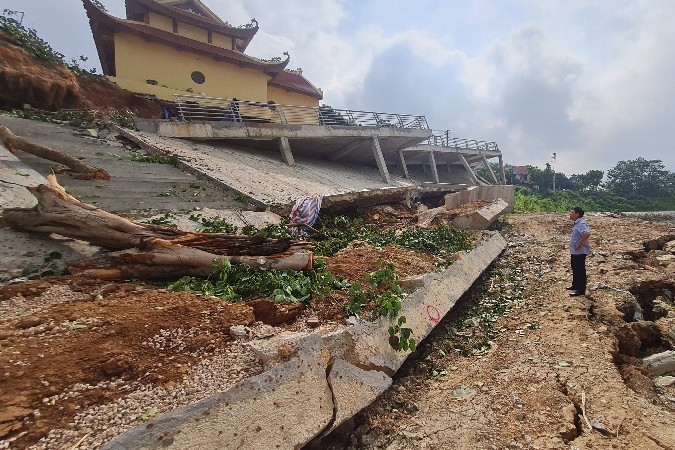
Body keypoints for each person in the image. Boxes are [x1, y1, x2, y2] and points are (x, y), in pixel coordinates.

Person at [568, 206, 591, 297]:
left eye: (571, 212)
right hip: (575, 252)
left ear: (577, 214)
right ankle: (575, 285)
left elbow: (587, 233)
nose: (570, 214)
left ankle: (581, 290)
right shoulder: (576, 223)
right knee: (575, 268)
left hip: (580, 251)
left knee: (580, 270)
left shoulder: (581, 223)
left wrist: (579, 244)